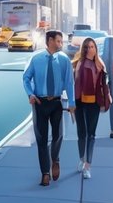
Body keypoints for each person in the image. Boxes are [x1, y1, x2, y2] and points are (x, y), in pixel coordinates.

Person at [22, 30, 76, 186]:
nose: (61, 44)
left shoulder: (64, 60)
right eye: (59, 41)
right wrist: (30, 94)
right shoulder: (36, 59)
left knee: (58, 134)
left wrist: (71, 102)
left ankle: (56, 160)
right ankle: (45, 173)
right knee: (42, 139)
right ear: (50, 40)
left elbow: (69, 82)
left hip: (57, 102)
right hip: (39, 103)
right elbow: (26, 78)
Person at [72, 37, 110, 178]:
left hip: (94, 103)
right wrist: (72, 102)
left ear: (96, 49)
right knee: (81, 133)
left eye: (92, 46)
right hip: (80, 102)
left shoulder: (100, 64)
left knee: (91, 134)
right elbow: (74, 84)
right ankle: (82, 159)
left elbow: (105, 85)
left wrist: (106, 99)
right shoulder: (79, 63)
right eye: (87, 47)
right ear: (83, 49)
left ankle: (88, 166)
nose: (89, 49)